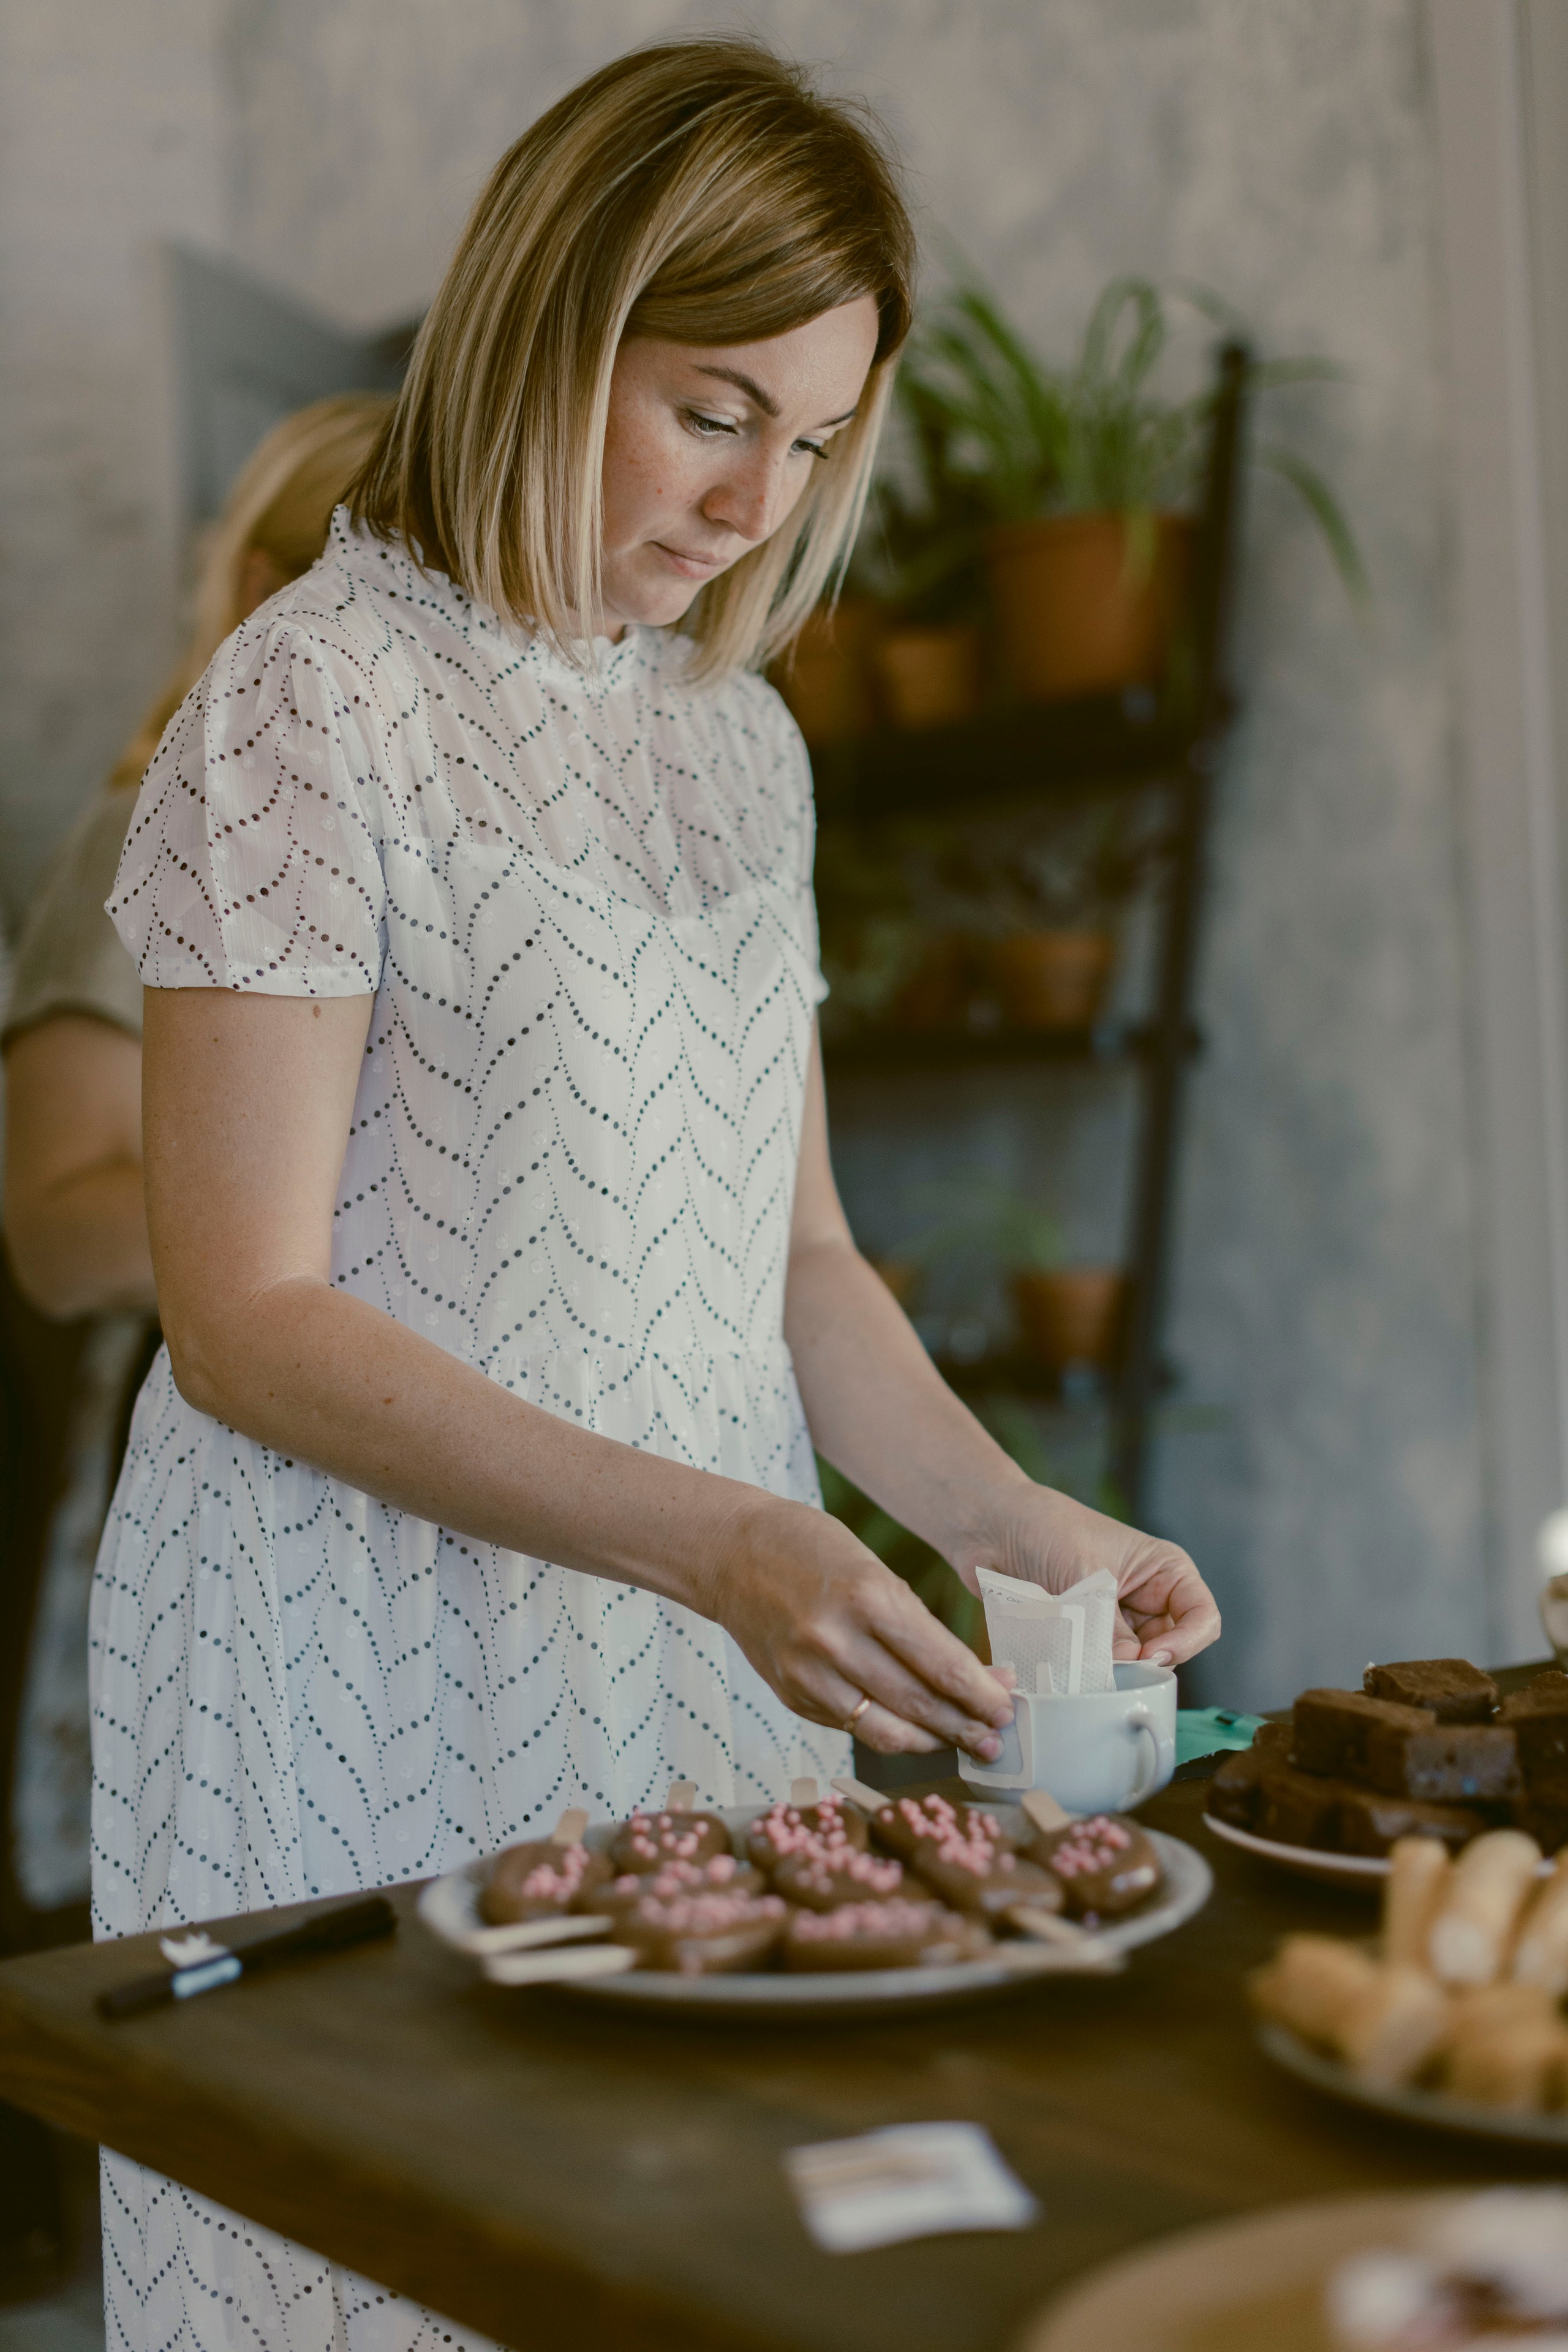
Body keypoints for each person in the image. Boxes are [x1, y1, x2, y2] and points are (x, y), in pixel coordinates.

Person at [95, 39, 1221, 2351]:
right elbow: (246, 1317)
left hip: (702, 1632)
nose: (757, 500)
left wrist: (1021, 1526)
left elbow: (793, 1263)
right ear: (550, 317)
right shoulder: (311, 704)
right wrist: (721, 1539)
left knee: (694, 2253)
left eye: (814, 440)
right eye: (716, 408)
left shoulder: (742, 745)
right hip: (366, 1647)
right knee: (395, 2259)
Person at [2, 392, 394, 1322]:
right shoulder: (147, 832)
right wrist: (386, 1222)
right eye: (391, 618)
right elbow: (53, 1238)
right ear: (266, 597)